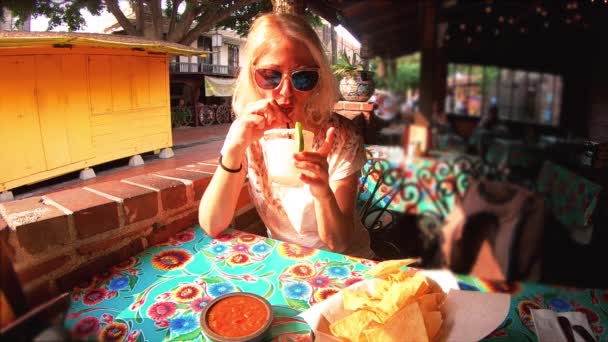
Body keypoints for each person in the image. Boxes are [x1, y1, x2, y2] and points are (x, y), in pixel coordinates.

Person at [198, 13, 373, 258]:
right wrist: (234, 149)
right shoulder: (250, 132)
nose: (286, 93)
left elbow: (340, 243)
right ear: (252, 75)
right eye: (271, 76)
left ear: (319, 77)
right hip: (287, 259)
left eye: (303, 77)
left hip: (344, 264)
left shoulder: (340, 136)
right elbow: (211, 224)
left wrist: (322, 191)